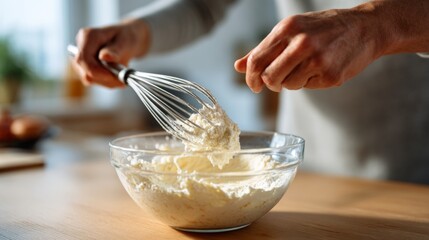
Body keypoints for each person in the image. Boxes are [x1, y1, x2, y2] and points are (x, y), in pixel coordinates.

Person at [72, 0, 429, 184]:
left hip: (414, 171)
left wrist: (377, 26)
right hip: (302, 170)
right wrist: (137, 31)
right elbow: (204, 5)